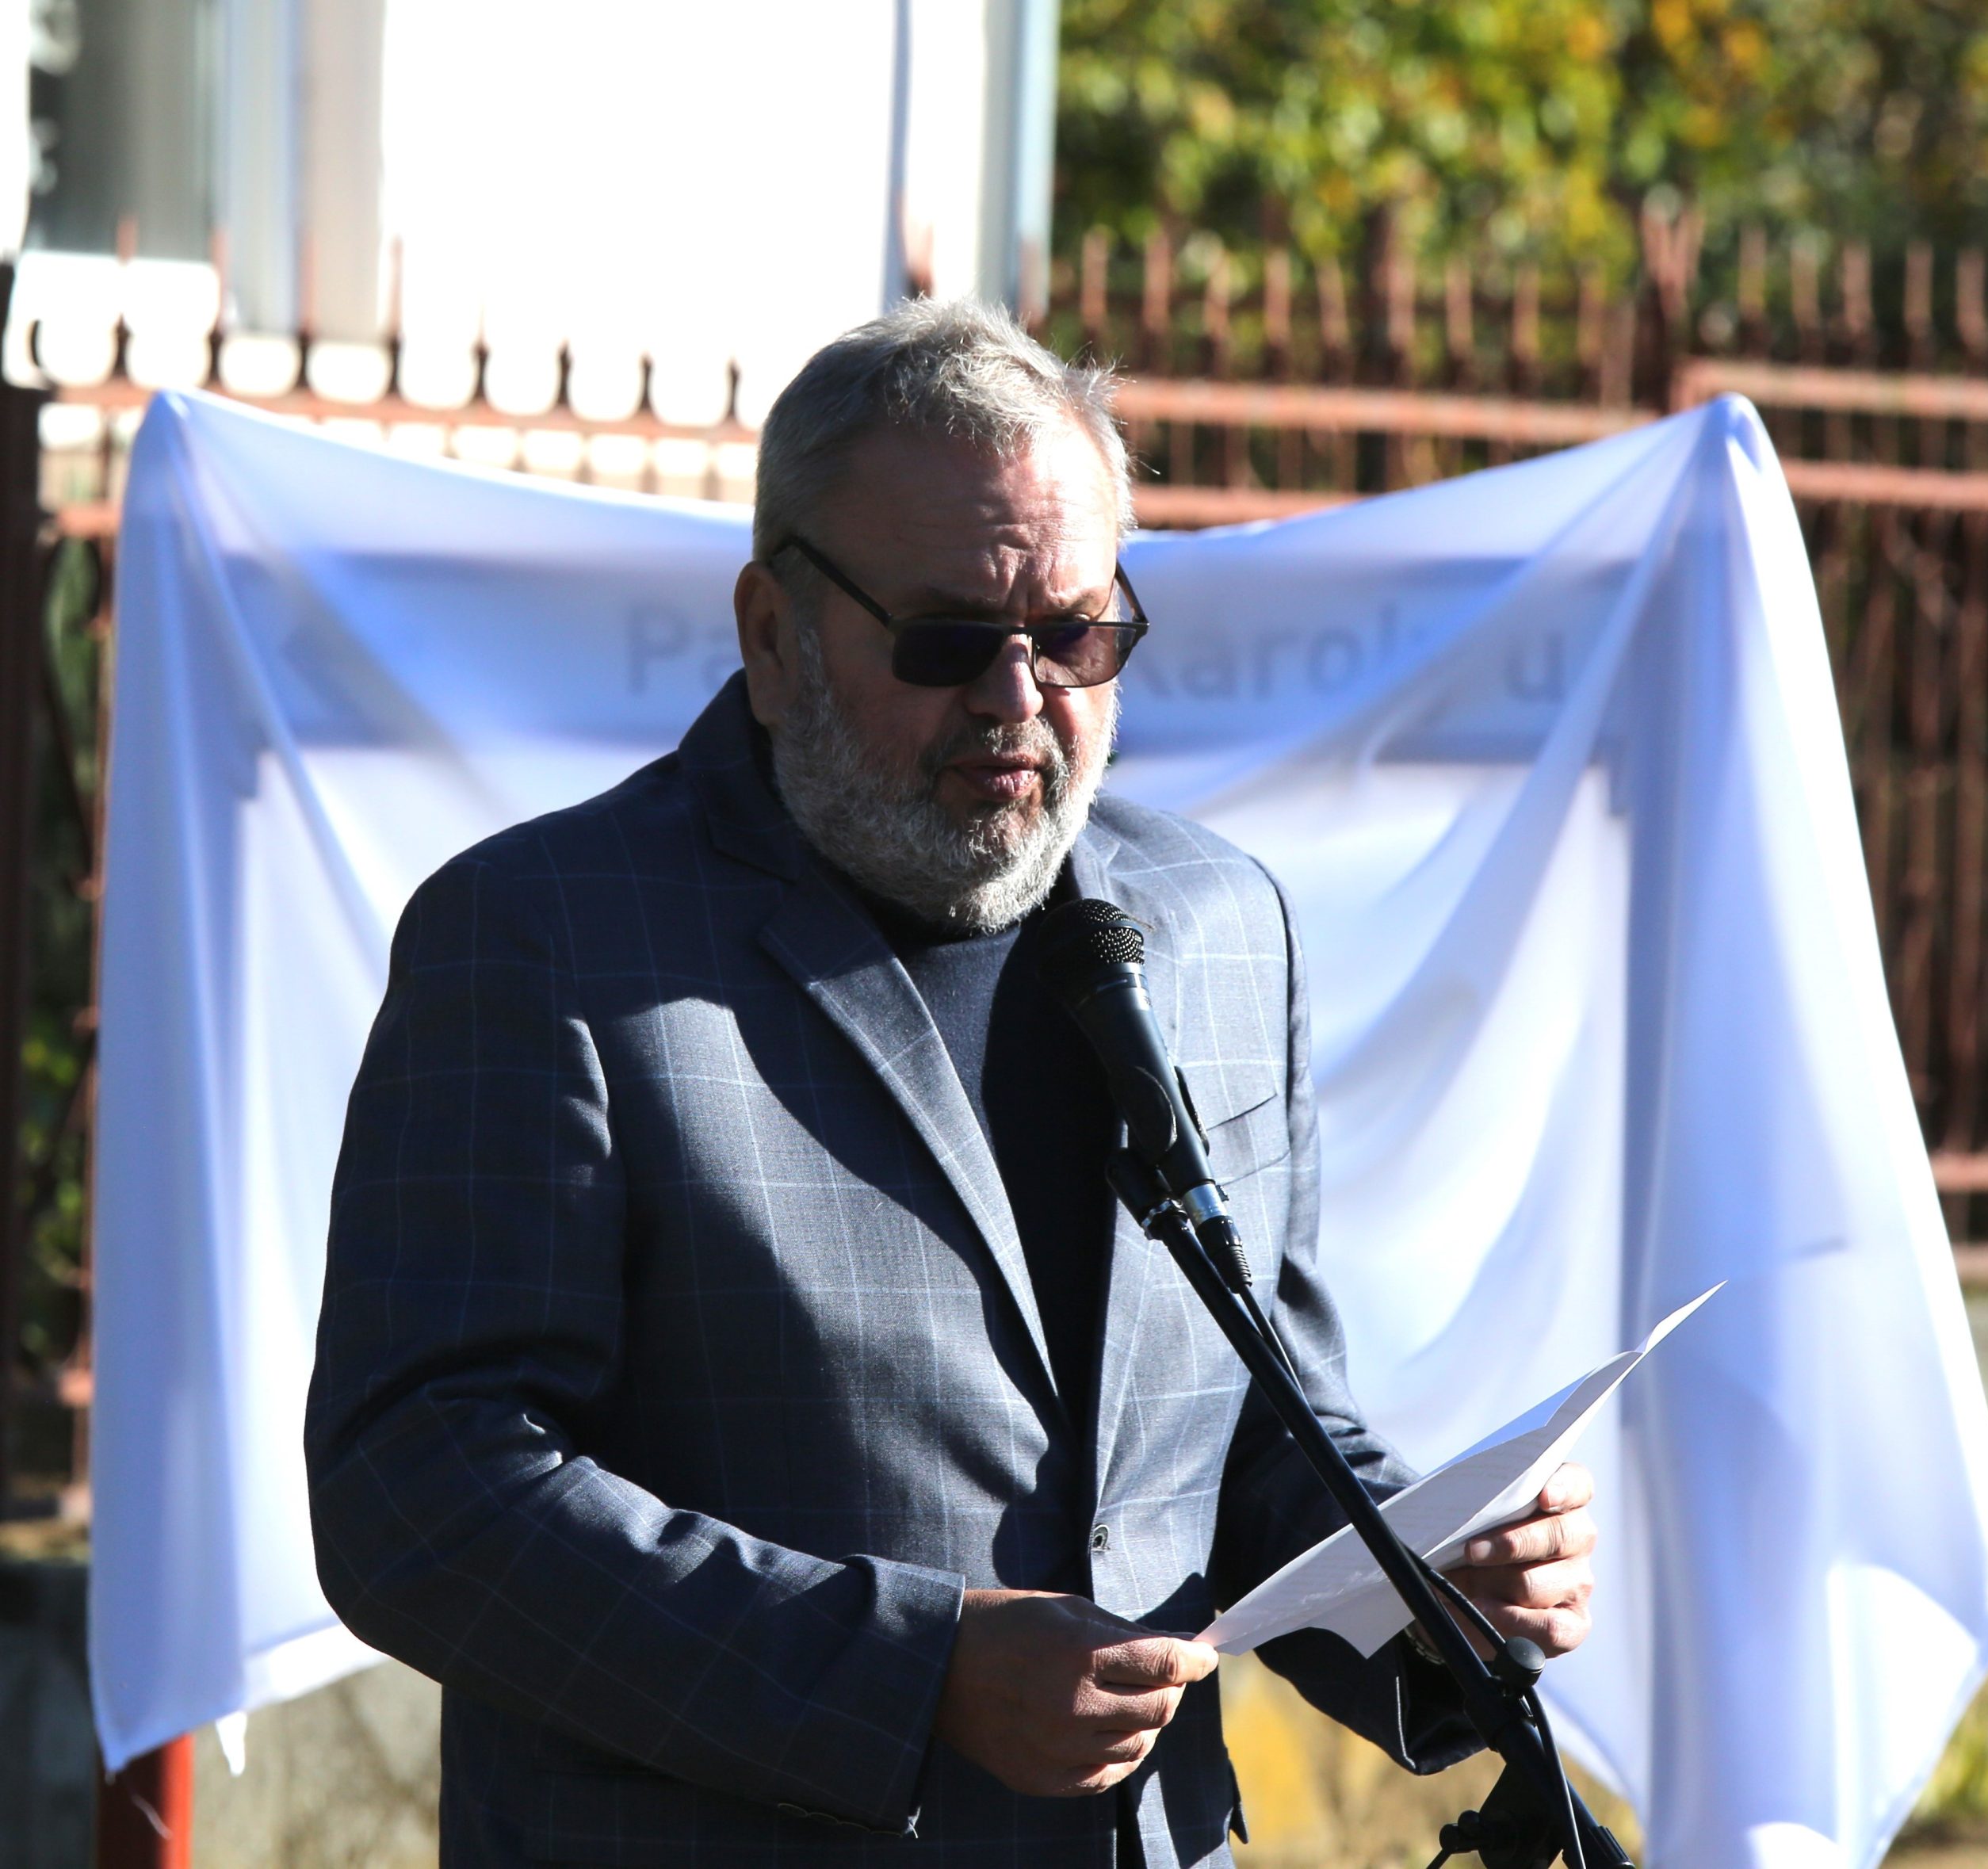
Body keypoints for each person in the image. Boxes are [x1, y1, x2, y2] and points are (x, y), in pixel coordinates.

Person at [305, 300, 1596, 1868]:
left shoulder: (1217, 927)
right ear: (771, 635)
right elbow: (417, 1494)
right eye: (945, 641)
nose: (1017, 698)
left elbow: (1260, 1431)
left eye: (1074, 635)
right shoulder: (547, 941)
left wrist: (1425, 1588)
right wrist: (908, 1674)